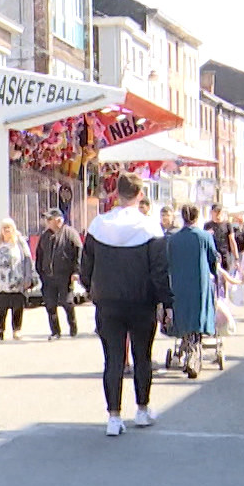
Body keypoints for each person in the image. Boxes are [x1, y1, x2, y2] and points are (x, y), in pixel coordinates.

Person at [79, 172, 171, 435]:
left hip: (108, 302)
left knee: (113, 360)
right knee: (142, 357)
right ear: (140, 194)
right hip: (141, 302)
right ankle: (142, 410)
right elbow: (159, 271)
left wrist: (92, 289)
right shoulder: (150, 227)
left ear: (116, 193)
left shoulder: (99, 225)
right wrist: (166, 301)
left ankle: (114, 417)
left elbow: (86, 267)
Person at [165, 204, 222, 378]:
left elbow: (167, 263)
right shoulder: (204, 237)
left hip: (179, 286)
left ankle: (187, 348)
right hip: (200, 285)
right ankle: (194, 352)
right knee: (198, 317)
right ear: (197, 218)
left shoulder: (173, 240)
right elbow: (213, 259)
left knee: (183, 316)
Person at [0, 217, 39, 340]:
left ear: (13, 229)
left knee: (17, 306)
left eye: (8, 228)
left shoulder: (20, 242)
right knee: (1, 306)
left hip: (17, 281)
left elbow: (27, 260)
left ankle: (17, 329)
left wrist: (28, 277)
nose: (6, 230)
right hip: (2, 282)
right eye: (4, 228)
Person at [36, 209, 83, 339]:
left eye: (49, 219)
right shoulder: (45, 236)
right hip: (48, 277)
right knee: (50, 304)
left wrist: (76, 271)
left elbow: (79, 254)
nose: (47, 222)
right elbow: (40, 255)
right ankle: (55, 331)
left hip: (65, 276)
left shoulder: (70, 234)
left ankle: (73, 327)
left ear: (58, 220)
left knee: (66, 302)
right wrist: (41, 272)